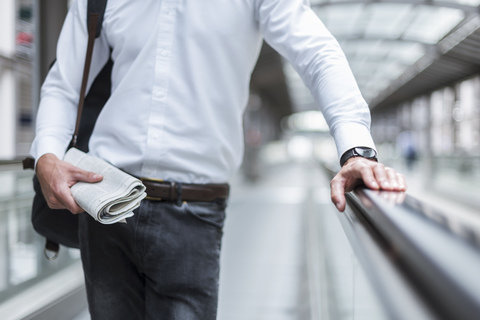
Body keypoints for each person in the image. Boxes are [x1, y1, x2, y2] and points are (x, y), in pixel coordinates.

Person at [31, 0, 406, 319]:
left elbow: (317, 53)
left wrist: (356, 150)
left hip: (193, 213)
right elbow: (64, 83)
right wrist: (47, 154)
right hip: (104, 205)